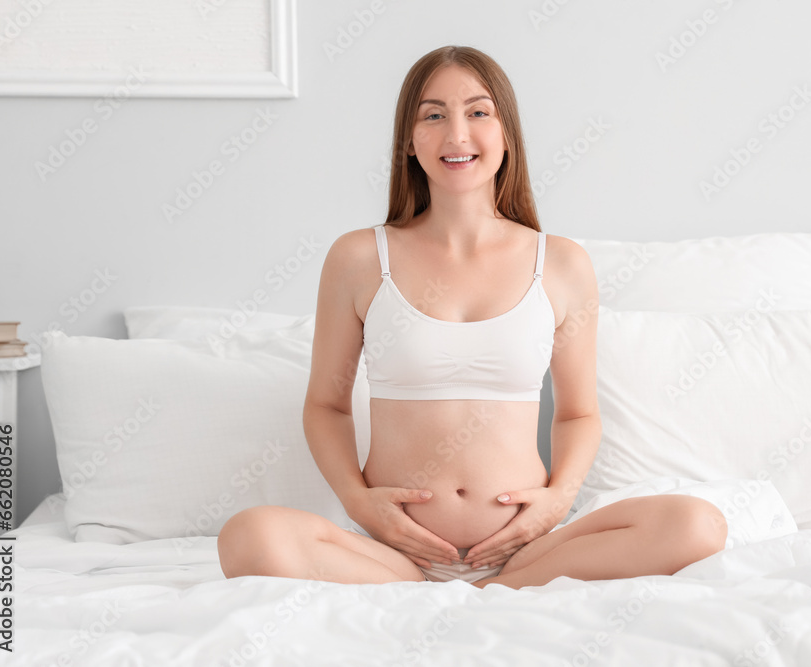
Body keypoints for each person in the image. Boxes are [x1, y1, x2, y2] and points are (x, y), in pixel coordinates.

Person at [217, 45, 727, 588]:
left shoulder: (561, 263)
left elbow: (578, 414)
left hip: (527, 552)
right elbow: (325, 405)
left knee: (698, 525)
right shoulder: (360, 259)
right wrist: (360, 504)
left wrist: (557, 502)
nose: (457, 134)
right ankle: (418, 591)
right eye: (433, 115)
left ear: (506, 134)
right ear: (409, 142)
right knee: (249, 537)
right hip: (396, 555)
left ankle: (496, 590)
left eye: (478, 112)